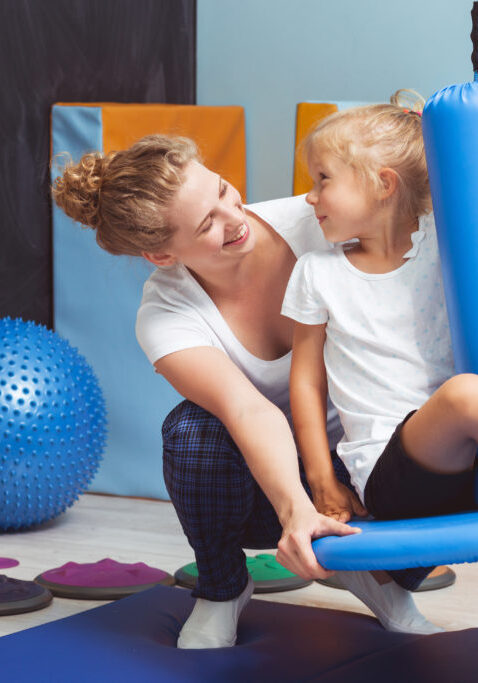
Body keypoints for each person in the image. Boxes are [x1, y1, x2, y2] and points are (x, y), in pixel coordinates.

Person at [52, 133, 439, 649]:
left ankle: (381, 579)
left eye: (223, 192)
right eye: (206, 224)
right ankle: (222, 588)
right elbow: (246, 409)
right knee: (191, 431)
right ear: (161, 253)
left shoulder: (322, 220)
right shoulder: (166, 316)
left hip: (368, 460)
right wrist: (299, 507)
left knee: (449, 431)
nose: (234, 219)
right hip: (266, 490)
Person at [283, 95, 477, 617]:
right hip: (391, 475)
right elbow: (306, 383)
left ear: (384, 184)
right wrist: (322, 478)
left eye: (323, 179)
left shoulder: (449, 243)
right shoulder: (318, 272)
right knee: (463, 395)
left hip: (468, 459)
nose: (309, 196)